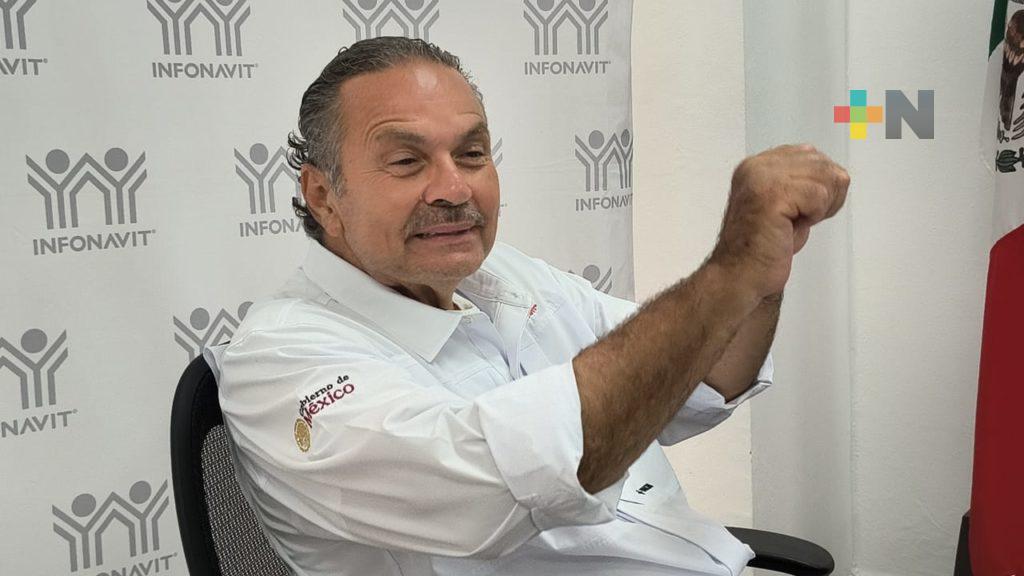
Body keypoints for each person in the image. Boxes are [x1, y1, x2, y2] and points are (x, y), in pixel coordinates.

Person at [208, 36, 849, 576]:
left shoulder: (499, 277)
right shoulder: (282, 360)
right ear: (323, 195)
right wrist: (728, 276)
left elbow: (701, 378)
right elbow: (501, 487)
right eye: (406, 161)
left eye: (471, 154)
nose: (454, 188)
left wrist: (761, 279)